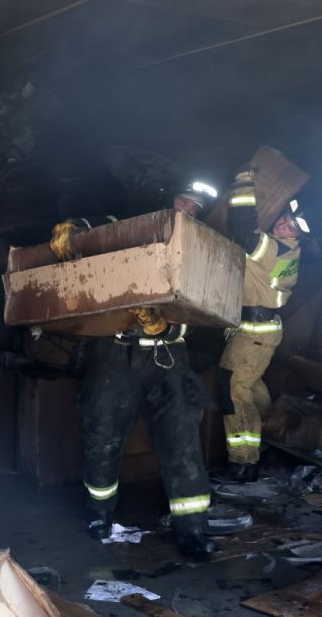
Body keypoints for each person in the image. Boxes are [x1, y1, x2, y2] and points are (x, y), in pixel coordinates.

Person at [49, 181, 220, 559]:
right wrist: (73, 227)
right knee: (102, 435)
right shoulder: (131, 226)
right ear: (167, 200)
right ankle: (99, 515)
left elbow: (209, 313)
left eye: (194, 209)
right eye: (182, 201)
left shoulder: (203, 250)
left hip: (168, 357)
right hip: (114, 353)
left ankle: (192, 530)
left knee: (183, 444)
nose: (185, 211)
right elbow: (96, 231)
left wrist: (171, 326)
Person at [215, 166, 309, 483]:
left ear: (297, 234)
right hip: (258, 332)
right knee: (251, 386)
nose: (283, 224)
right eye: (284, 217)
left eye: (291, 225)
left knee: (233, 391)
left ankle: (243, 461)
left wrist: (243, 184)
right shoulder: (289, 251)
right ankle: (268, 431)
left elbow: (243, 231)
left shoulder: (274, 250)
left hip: (254, 333)